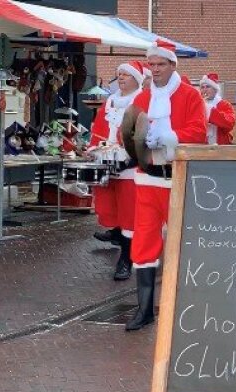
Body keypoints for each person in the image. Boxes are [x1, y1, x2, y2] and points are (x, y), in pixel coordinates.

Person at [127, 40, 207, 331]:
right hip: (147, 177)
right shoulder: (143, 97)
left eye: (162, 64)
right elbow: (130, 130)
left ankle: (187, 308)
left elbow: (198, 132)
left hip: (178, 179)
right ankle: (144, 309)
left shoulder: (189, 95)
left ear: (173, 65)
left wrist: (169, 136)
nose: (156, 69)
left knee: (185, 241)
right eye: (152, 64)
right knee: (144, 241)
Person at [89, 61, 145, 281]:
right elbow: (99, 127)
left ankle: (126, 260)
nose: (121, 78)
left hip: (131, 166)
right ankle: (119, 239)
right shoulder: (111, 100)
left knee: (130, 214)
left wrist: (131, 155)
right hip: (109, 161)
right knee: (113, 209)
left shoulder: (142, 100)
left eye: (126, 75)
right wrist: (94, 147)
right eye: (119, 74)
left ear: (136, 79)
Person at [200, 73, 236, 145]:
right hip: (202, 146)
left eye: (208, 87)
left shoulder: (225, 105)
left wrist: (210, 111)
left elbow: (230, 123)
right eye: (202, 87)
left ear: (215, 90)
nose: (205, 90)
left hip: (221, 146)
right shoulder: (198, 105)